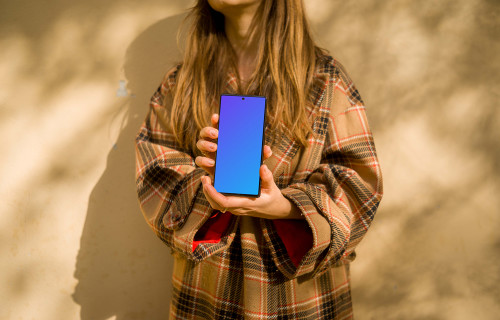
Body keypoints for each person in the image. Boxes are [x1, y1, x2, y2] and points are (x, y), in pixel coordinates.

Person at [135, 0, 383, 318]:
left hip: (299, 295)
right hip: (210, 289)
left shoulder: (324, 79)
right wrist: (205, 179)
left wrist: (288, 207)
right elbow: (154, 170)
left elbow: (359, 181)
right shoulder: (182, 83)